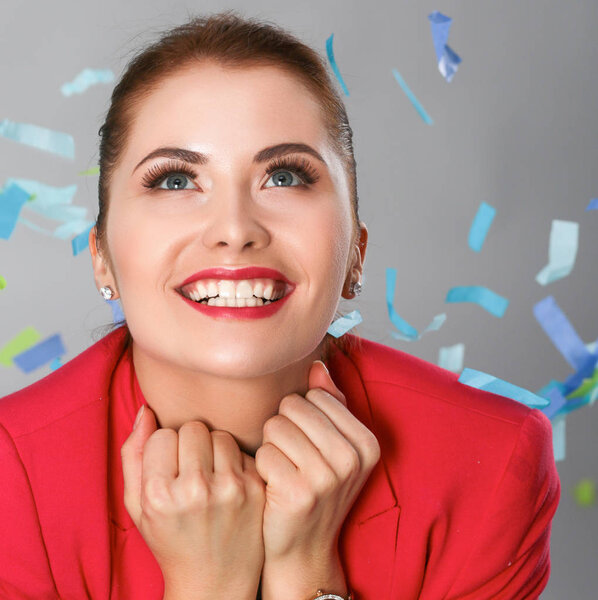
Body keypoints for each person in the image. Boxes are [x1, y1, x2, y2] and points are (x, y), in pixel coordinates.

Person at [0, 10, 560, 600]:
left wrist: (309, 577)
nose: (235, 229)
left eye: (286, 176)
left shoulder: (494, 463)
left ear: (356, 253)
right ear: (101, 257)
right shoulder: (10, 480)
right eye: (174, 180)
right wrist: (206, 586)